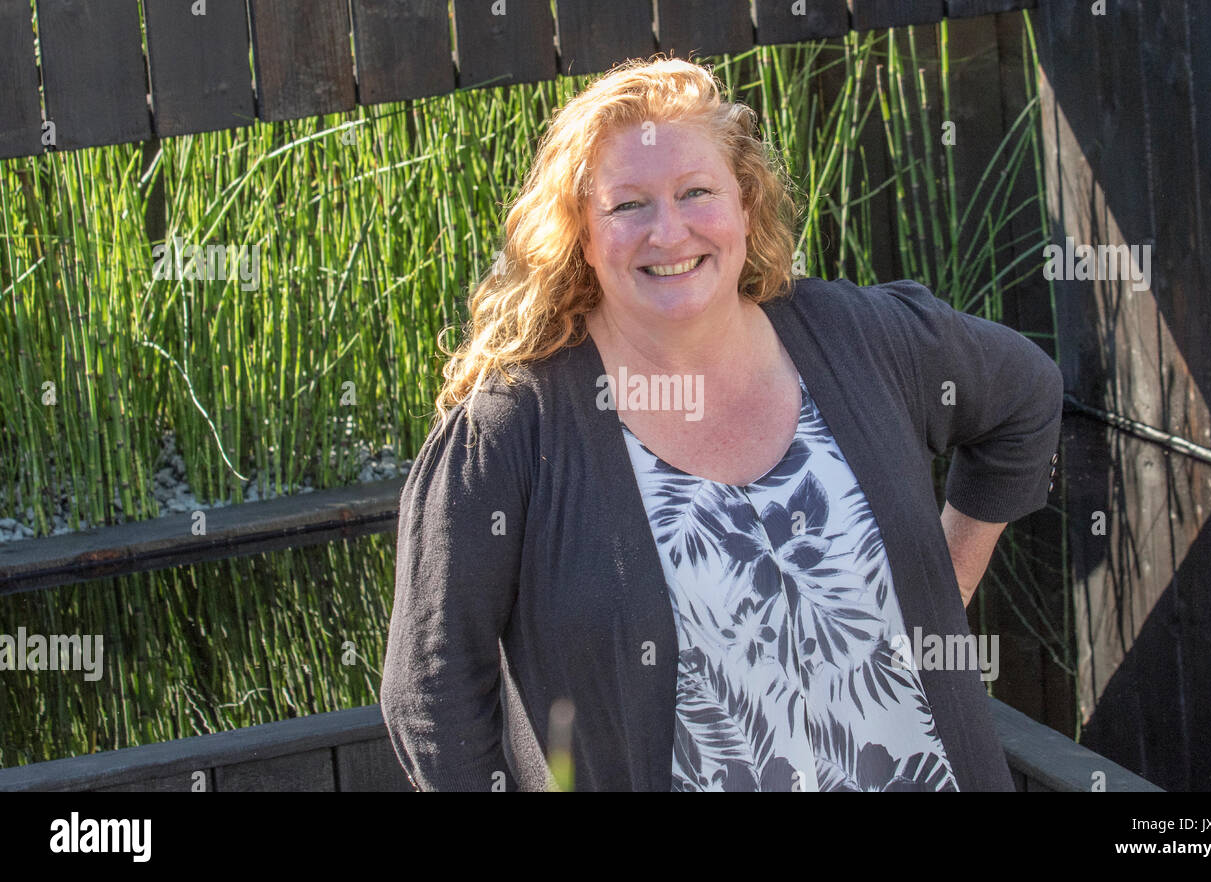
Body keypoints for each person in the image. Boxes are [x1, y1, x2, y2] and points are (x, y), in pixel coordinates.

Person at [380, 56, 1063, 791]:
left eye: (696, 192)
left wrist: (947, 584)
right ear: (579, 234)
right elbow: (431, 689)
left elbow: (1026, 394)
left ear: (745, 204)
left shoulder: (858, 336)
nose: (669, 232)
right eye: (628, 205)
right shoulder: (513, 428)